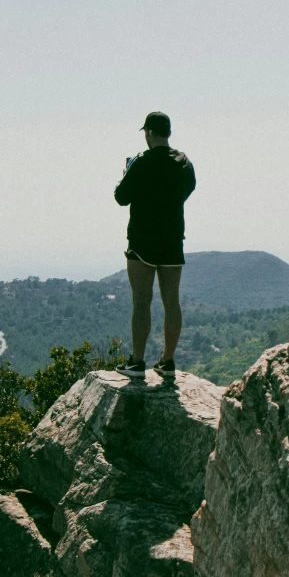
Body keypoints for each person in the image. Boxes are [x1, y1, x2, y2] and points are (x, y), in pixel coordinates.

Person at [114, 112, 195, 379]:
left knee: (141, 301)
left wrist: (126, 172)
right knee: (172, 302)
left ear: (148, 132)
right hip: (172, 239)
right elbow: (188, 188)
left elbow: (120, 197)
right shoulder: (184, 162)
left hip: (142, 241)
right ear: (168, 132)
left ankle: (137, 363)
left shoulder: (140, 162)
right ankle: (167, 362)